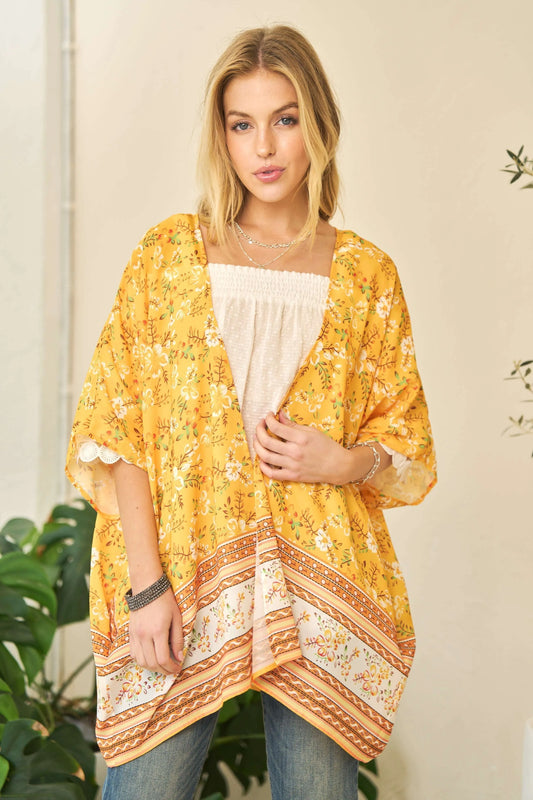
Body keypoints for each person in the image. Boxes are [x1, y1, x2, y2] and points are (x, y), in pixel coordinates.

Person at [66, 24, 436, 800]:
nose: (263, 147)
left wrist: (343, 461)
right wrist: (147, 588)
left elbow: (400, 432)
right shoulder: (170, 255)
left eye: (284, 119)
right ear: (221, 136)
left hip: (318, 584)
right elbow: (119, 426)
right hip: (181, 573)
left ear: (318, 126)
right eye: (241, 124)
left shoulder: (365, 274)